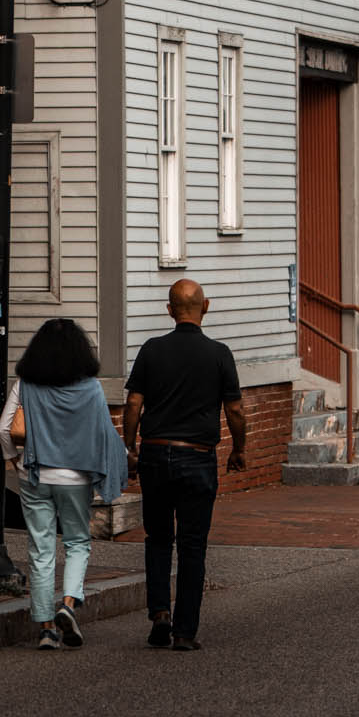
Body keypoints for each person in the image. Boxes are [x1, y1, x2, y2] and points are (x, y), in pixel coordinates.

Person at [121, 279, 245, 652]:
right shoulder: (220, 354)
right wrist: (239, 449)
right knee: (193, 545)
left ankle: (159, 612)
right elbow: (235, 410)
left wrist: (129, 448)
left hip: (156, 453)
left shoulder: (151, 350)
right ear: (205, 307)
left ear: (169, 309)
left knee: (158, 538)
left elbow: (132, 405)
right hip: (198, 456)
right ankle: (184, 631)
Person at [0, 318, 127, 650]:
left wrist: (14, 459)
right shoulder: (91, 388)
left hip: (35, 475)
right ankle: (68, 604)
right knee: (77, 543)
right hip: (75, 476)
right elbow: (103, 433)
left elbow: (3, 429)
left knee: (40, 550)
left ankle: (45, 629)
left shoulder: (25, 385)